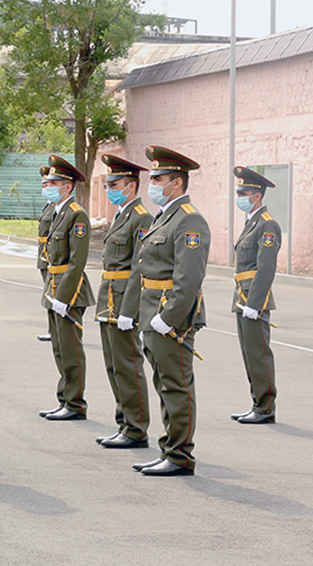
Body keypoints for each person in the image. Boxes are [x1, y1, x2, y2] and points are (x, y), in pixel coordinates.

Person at [125, 145, 208, 476]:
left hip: (169, 319)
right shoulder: (165, 216)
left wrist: (167, 318)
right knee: (164, 383)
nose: (153, 184)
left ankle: (180, 456)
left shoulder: (190, 220)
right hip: (152, 313)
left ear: (176, 182)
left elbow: (189, 279)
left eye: (158, 178)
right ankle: (169, 450)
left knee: (176, 385)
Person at [94, 155, 153, 448]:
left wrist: (130, 310)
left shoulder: (141, 217)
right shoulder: (121, 214)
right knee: (113, 365)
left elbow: (139, 266)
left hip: (123, 303)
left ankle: (136, 428)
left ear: (130, 185)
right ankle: (124, 423)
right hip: (109, 299)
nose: (108, 189)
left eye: (113, 184)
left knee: (127, 366)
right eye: (106, 184)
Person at [37, 155, 95, 421]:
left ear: (67, 187)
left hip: (68, 292)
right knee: (60, 348)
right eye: (47, 183)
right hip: (54, 287)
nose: (47, 187)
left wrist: (64, 295)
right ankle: (65, 399)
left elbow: (77, 260)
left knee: (71, 350)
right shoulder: (59, 212)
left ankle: (75, 404)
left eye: (53, 183)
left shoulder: (76, 214)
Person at [229, 166, 281, 425]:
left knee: (259, 354)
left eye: (244, 192)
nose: (239, 195)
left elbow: (266, 267)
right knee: (249, 353)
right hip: (242, 297)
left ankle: (265, 407)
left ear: (257, 195)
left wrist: (255, 303)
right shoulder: (252, 222)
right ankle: (257, 403)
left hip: (253, 300)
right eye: (238, 191)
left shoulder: (267, 224)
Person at [36, 166, 56, 342]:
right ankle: (52, 329)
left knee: (53, 294)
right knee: (48, 294)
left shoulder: (58, 208)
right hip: (44, 256)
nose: (45, 188)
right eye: (43, 184)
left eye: (48, 184)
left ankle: (55, 330)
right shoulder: (49, 206)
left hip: (51, 257)